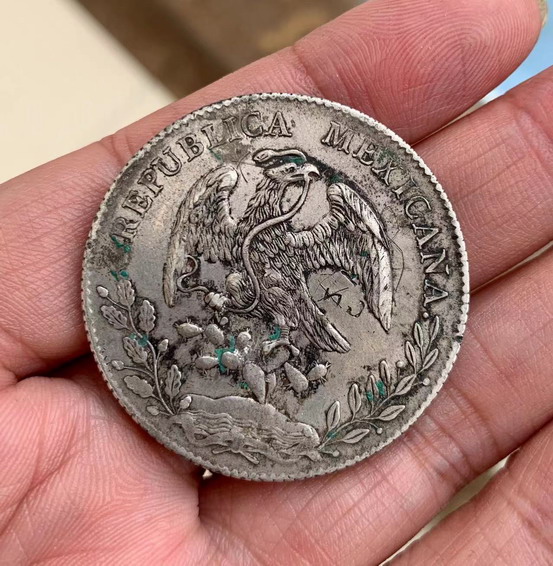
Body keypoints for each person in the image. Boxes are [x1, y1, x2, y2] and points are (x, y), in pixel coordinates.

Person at [0, 0, 551, 563]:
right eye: (285, 171)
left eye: (297, 173)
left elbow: (366, 248)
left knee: (292, 340)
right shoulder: (232, 206)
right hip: (247, 318)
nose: (292, 178)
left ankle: (290, 367)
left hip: (293, 309)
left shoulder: (321, 224)